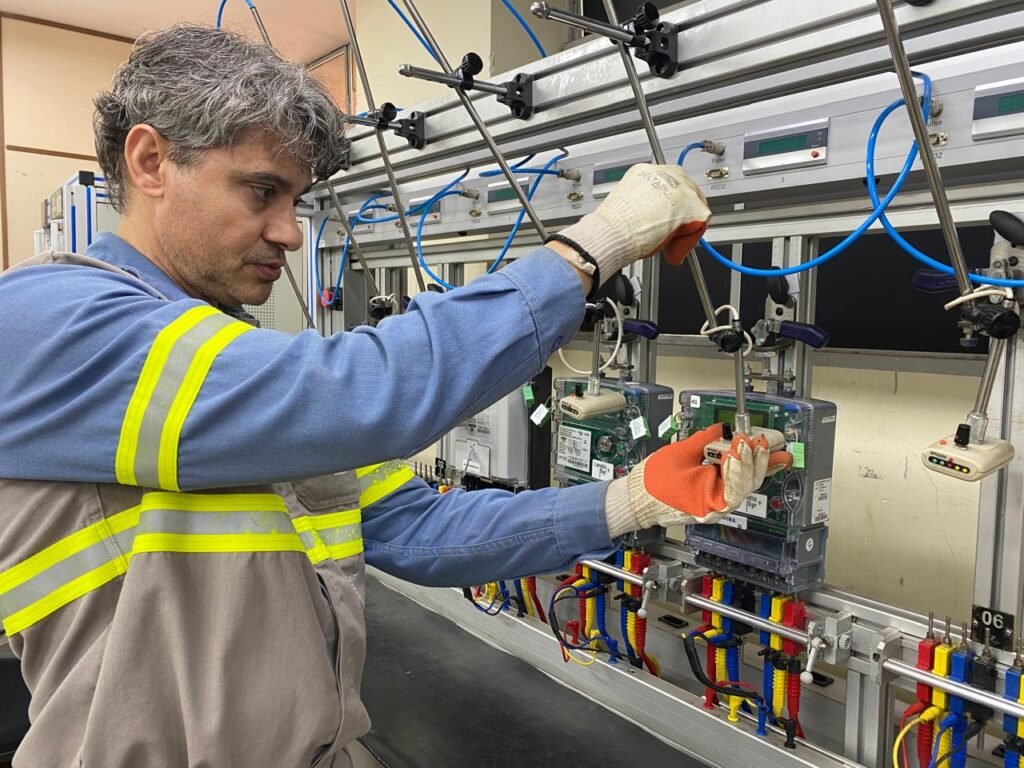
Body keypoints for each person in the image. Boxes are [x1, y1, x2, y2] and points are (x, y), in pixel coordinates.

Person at [0, 24, 790, 768]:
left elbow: (418, 530)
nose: (290, 232)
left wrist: (631, 500)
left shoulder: (235, 370)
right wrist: (595, 246)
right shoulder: (48, 323)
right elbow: (366, 392)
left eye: (296, 201)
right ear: (150, 162)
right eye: (262, 192)